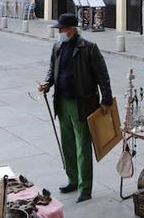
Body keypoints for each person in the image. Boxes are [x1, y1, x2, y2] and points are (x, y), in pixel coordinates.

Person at [38, 13, 112, 202]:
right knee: (67, 143)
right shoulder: (57, 47)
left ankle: (85, 188)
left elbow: (102, 75)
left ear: (71, 30)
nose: (59, 33)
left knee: (82, 146)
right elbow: (52, 69)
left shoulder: (89, 48)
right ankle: (72, 179)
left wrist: (106, 100)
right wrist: (47, 83)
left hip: (82, 102)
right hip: (62, 101)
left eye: (62, 29)